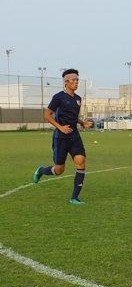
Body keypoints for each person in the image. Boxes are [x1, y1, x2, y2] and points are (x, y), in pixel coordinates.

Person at [32, 68, 93, 204]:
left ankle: (74, 198)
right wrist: (60, 127)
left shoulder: (78, 99)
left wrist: (82, 123)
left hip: (74, 136)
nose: (76, 82)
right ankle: (41, 170)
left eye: (77, 80)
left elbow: (73, 116)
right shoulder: (58, 97)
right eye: (74, 80)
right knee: (59, 170)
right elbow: (47, 115)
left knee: (81, 162)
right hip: (61, 137)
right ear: (66, 82)